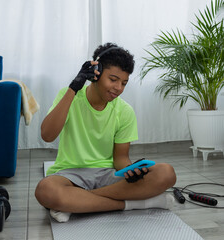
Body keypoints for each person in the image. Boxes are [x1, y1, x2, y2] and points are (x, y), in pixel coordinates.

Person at [35, 43, 176, 223]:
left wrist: (130, 171)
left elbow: (120, 158)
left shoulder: (125, 111)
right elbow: (47, 135)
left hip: (108, 175)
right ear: (96, 74)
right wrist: (73, 88)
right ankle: (132, 204)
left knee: (166, 173)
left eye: (124, 83)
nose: (118, 88)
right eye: (113, 79)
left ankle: (78, 201)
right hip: (69, 174)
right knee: (45, 190)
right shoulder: (69, 96)